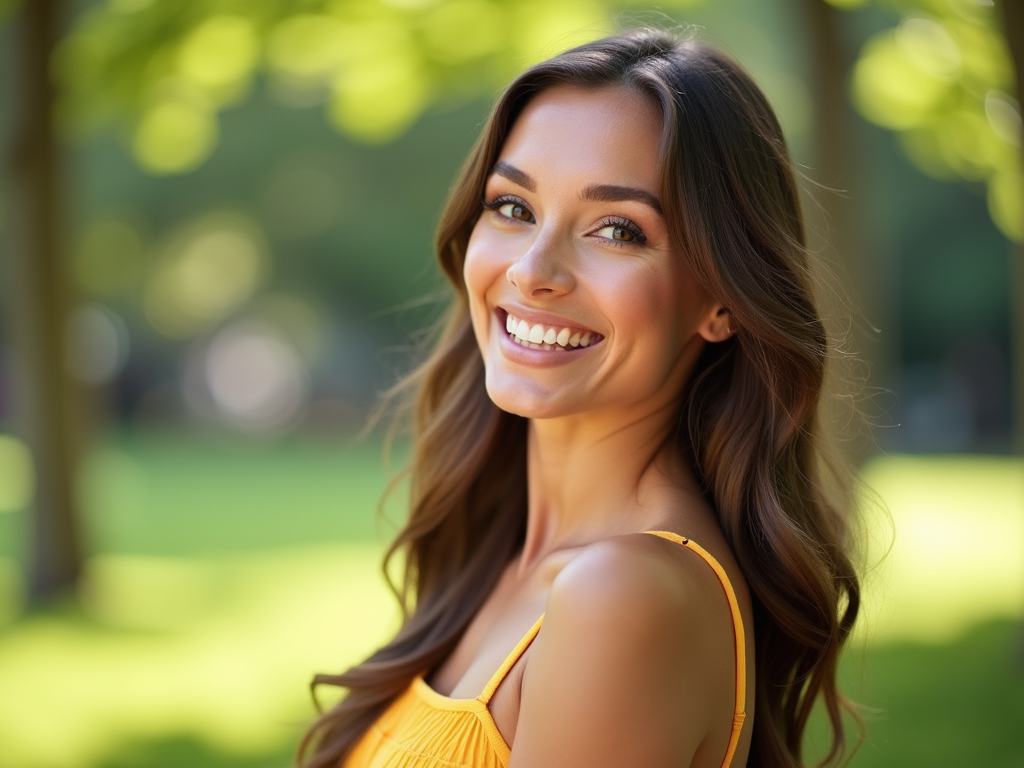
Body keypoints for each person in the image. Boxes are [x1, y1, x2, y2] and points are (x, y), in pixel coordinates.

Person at [299, 28, 861, 768]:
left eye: (618, 229)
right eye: (513, 207)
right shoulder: (504, 555)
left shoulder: (624, 594)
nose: (534, 270)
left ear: (722, 299)